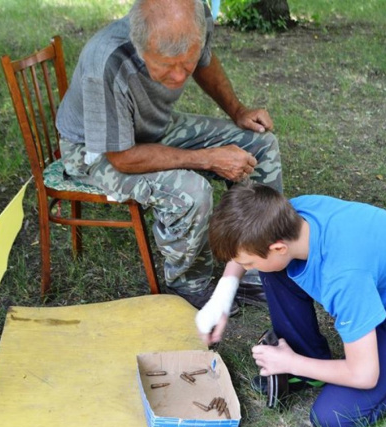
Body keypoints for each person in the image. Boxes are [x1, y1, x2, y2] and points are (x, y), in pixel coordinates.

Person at [55, 0, 281, 310]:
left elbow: (205, 61)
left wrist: (238, 110)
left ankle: (255, 266)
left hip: (153, 126)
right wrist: (208, 158)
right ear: (140, 47)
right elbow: (123, 158)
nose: (178, 77)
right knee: (191, 192)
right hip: (94, 148)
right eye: (165, 65)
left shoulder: (196, 16)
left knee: (259, 144)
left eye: (184, 64)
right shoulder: (104, 62)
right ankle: (188, 286)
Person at [195, 183, 386, 427]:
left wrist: (288, 363)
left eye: (247, 263)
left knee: (335, 418)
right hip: (375, 285)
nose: (244, 267)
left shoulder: (344, 277)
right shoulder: (289, 216)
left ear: (278, 248)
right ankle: (308, 366)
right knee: (272, 271)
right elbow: (246, 246)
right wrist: (223, 296)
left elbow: (364, 375)